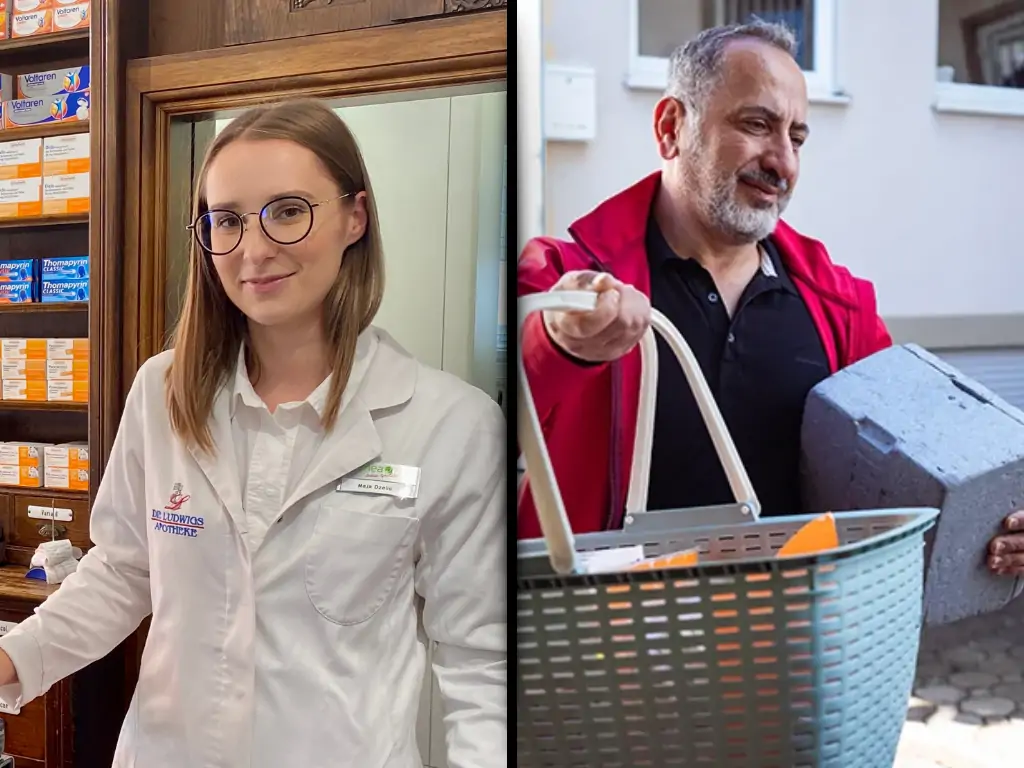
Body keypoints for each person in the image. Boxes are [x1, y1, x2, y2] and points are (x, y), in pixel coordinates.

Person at [0, 100, 506, 767]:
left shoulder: (451, 425)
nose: (256, 249)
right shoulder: (163, 392)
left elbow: (481, 661)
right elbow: (124, 570)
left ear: (355, 217)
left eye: (288, 210)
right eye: (228, 221)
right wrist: (13, 659)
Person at [517, 20, 1023, 577]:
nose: (782, 162)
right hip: (606, 642)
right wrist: (560, 342)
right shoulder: (567, 280)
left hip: (791, 642)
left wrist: (992, 519)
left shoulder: (840, 308)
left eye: (797, 137)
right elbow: (494, 398)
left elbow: (914, 465)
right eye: (757, 124)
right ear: (671, 127)